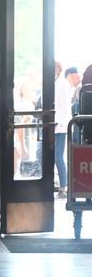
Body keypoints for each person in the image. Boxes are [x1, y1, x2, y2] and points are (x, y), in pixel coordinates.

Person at [54, 66, 81, 194]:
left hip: (60, 126)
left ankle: (63, 186)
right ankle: (63, 186)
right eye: (77, 75)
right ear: (70, 75)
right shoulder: (63, 84)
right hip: (59, 126)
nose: (79, 78)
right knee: (58, 156)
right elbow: (63, 107)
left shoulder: (63, 84)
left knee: (58, 156)